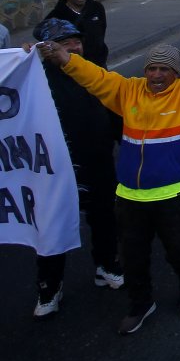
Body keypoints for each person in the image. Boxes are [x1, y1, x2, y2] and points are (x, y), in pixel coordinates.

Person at [35, 27, 180, 335]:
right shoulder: (128, 90)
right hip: (131, 197)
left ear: (176, 72)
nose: (156, 75)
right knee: (133, 258)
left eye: (164, 69)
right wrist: (65, 58)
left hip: (173, 196)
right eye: (151, 68)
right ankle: (141, 303)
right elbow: (96, 78)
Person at [29, 19, 124, 319]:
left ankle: (106, 265)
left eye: (75, 41)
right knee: (51, 226)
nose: (72, 47)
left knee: (104, 216)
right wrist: (22, 60)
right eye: (62, 43)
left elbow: (117, 110)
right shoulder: (33, 80)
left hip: (97, 161)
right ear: (45, 49)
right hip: (52, 170)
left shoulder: (94, 74)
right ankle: (50, 287)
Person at [46, 0, 109, 67]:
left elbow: (103, 28)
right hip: (72, 64)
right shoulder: (57, 14)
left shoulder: (96, 7)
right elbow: (44, 34)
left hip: (98, 62)